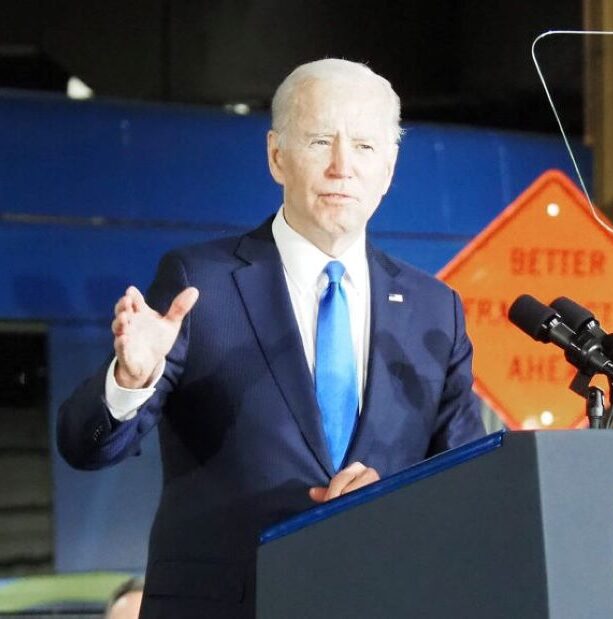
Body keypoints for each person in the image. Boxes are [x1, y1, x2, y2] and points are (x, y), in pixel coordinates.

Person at [57, 59, 486, 619]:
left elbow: (471, 486)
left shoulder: (435, 310)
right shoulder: (200, 283)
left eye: (364, 147)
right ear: (277, 156)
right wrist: (129, 382)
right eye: (320, 141)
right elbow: (85, 446)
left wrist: (393, 506)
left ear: (389, 168)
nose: (342, 167)